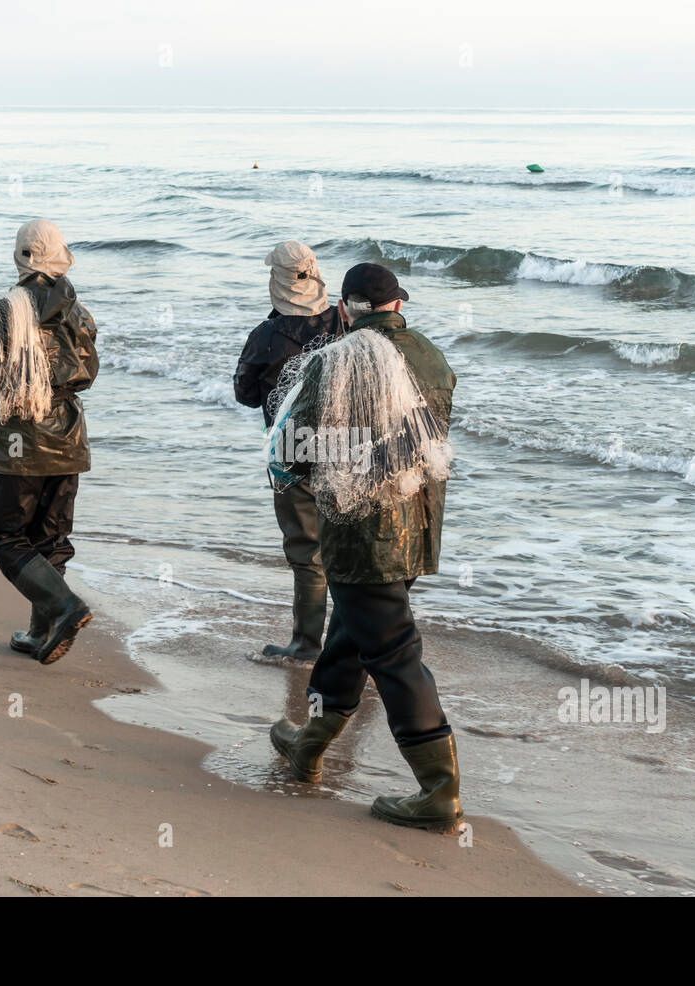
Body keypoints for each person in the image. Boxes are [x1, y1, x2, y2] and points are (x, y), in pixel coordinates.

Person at [267, 262, 463, 831]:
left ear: (348, 308)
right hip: (419, 525)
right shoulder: (429, 353)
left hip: (362, 533)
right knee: (349, 638)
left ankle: (438, 791)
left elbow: (300, 448)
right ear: (397, 305)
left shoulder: (335, 360)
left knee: (395, 653)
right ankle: (309, 741)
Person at [0, 219, 99, 665]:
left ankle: (64, 608)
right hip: (68, 440)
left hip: (17, 443)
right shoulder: (79, 312)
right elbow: (88, 374)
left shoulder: (4, 310)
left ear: (20, 256)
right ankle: (42, 632)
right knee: (50, 538)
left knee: (0, 534)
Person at [234, 241, 342, 660]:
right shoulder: (345, 324)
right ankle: (353, 644)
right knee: (348, 547)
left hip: (291, 448)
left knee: (306, 550)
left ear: (275, 282)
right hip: (348, 446)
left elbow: (244, 393)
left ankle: (305, 643)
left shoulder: (265, 336)